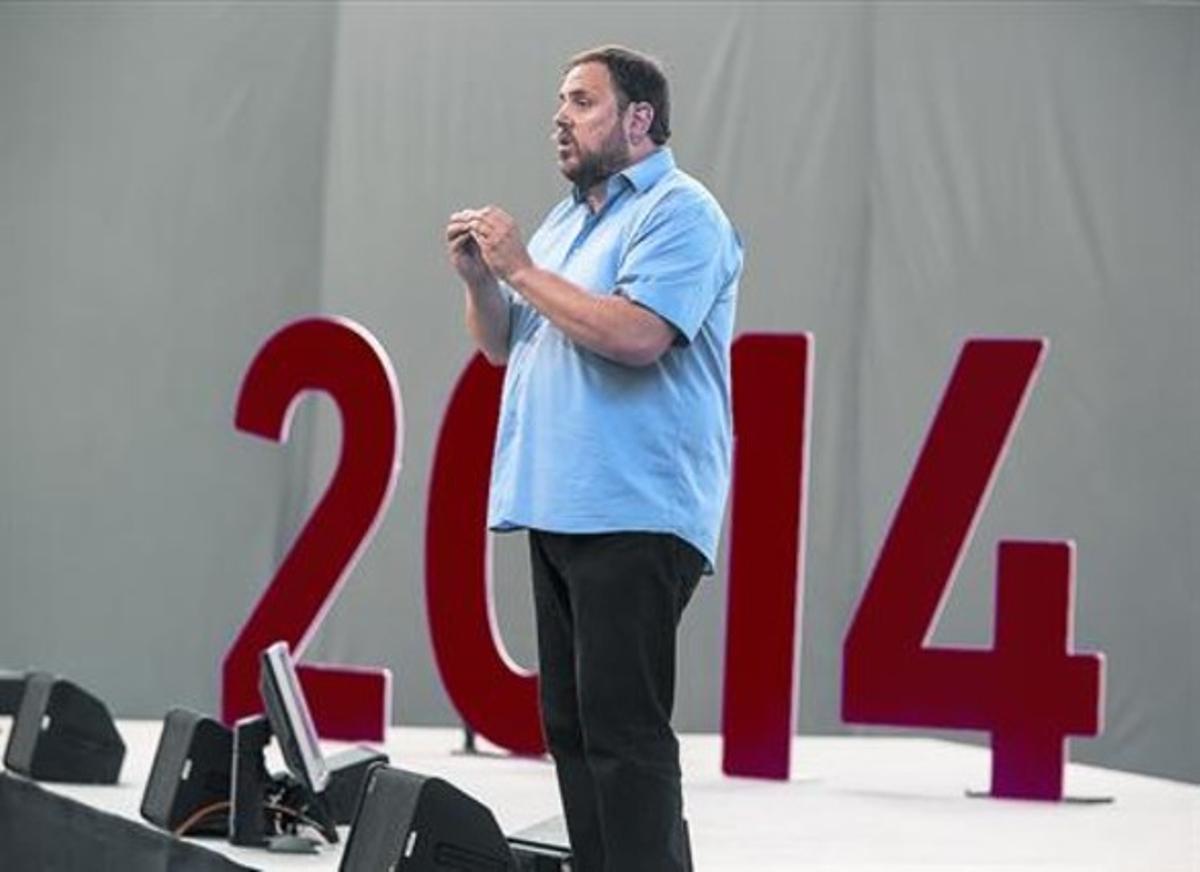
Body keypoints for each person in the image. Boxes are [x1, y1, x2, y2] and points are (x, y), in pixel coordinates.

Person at [445, 45, 742, 872]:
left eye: (581, 102)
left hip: (635, 508)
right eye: (560, 103)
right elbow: (506, 346)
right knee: (574, 730)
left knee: (622, 731)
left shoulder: (682, 213)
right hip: (559, 504)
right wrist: (483, 284)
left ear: (638, 119)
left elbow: (639, 336)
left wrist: (522, 269)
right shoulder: (569, 220)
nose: (560, 119)